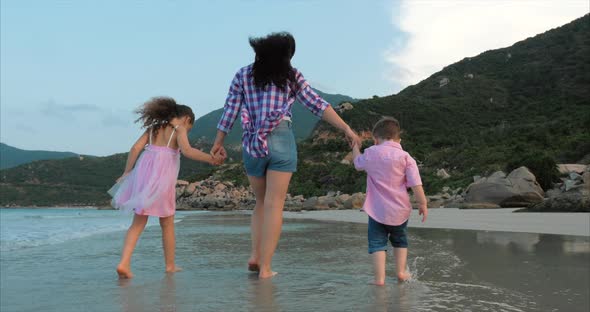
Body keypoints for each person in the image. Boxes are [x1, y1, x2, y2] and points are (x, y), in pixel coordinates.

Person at [211, 32, 361, 279]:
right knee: (274, 205)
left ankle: (255, 255)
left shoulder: (242, 74)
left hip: (252, 143)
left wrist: (218, 142)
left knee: (260, 203)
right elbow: (317, 104)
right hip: (281, 139)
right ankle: (266, 268)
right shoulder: (292, 76)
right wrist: (346, 128)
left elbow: (231, 110)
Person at [110, 97, 222, 279]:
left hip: (143, 176)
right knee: (167, 223)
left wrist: (126, 172)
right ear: (186, 119)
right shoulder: (178, 130)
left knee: (138, 222)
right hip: (162, 180)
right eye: (190, 126)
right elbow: (187, 151)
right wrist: (210, 159)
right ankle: (170, 265)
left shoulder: (154, 128)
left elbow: (135, 148)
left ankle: (124, 262)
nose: (188, 129)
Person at [352, 116, 428, 285]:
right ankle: (401, 272)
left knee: (377, 243)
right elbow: (416, 183)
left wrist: (355, 147)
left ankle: (379, 279)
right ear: (398, 139)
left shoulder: (371, 152)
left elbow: (357, 164)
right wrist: (422, 203)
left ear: (375, 139)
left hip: (377, 210)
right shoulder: (406, 157)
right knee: (400, 240)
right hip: (400, 210)